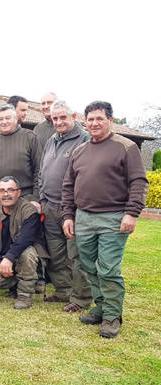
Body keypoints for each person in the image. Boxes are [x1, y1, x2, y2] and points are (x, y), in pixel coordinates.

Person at [61, 101, 148, 338]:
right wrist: (68, 215)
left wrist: (131, 213)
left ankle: (112, 316)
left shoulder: (126, 147)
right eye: (90, 119)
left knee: (108, 268)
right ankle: (100, 306)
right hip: (83, 217)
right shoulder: (79, 151)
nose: (95, 123)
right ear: (84, 122)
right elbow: (68, 186)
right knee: (89, 266)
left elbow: (138, 182)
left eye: (100, 118)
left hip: (113, 217)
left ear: (110, 120)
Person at [39, 100, 92, 311]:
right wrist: (42, 199)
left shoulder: (85, 140)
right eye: (55, 118)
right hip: (50, 206)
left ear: (74, 117)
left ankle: (80, 298)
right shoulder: (52, 139)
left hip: (73, 208)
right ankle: (63, 291)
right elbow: (42, 171)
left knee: (77, 255)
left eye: (63, 117)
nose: (59, 121)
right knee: (56, 252)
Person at [0, 177, 42, 309]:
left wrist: (9, 258)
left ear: (18, 192)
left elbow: (26, 238)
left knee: (28, 253)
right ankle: (16, 284)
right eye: (2, 191)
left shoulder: (29, 211)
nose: (6, 194)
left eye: (10, 190)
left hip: (21, 257)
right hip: (1, 259)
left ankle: (25, 295)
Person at [0, 104, 42, 215]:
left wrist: (36, 198)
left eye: (8, 118)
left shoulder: (30, 137)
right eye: (0, 119)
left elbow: (39, 171)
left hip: (25, 198)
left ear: (15, 119)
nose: (4, 122)